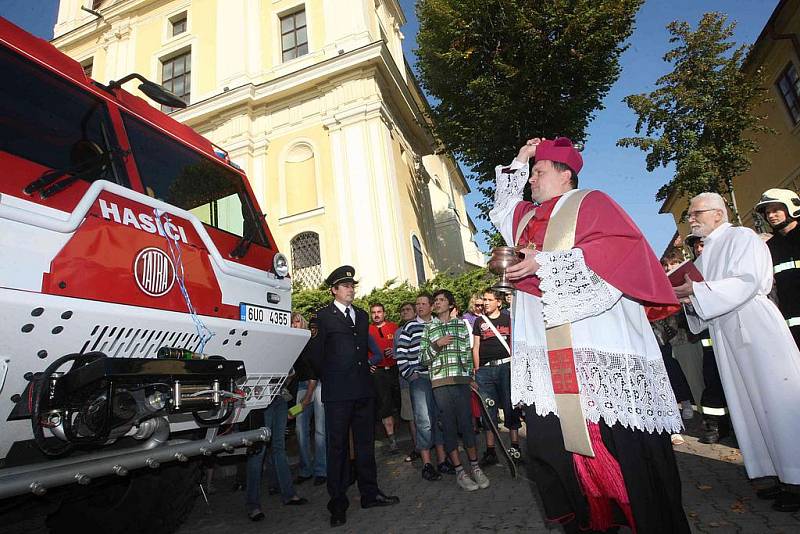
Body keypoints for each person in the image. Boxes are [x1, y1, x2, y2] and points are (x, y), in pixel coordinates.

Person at [490, 137, 689, 533]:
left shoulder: (591, 203)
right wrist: (522, 157)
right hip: (546, 354)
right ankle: (585, 521)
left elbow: (616, 255)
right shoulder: (527, 217)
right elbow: (502, 206)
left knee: (623, 446)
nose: (531, 179)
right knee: (551, 445)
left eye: (539, 172)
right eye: (530, 174)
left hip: (594, 341)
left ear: (566, 175)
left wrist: (541, 263)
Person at [675, 192, 800, 513]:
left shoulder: (741, 237)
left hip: (755, 325)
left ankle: (796, 477)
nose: (691, 218)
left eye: (695, 213)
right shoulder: (701, 257)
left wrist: (698, 291)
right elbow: (699, 296)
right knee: (746, 404)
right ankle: (769, 472)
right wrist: (687, 298)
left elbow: (747, 281)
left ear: (718, 214)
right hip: (725, 332)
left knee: (776, 399)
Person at [306, 266, 399, 527]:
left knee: (366, 445)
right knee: (337, 448)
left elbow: (362, 349)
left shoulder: (360, 315)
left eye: (352, 285)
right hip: (337, 393)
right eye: (345, 285)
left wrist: (365, 366)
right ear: (334, 290)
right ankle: (337, 503)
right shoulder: (322, 317)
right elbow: (314, 354)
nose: (351, 289)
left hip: (362, 390)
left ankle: (370, 493)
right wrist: (333, 375)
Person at [420, 289, 490, 492]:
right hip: (440, 384)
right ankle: (460, 471)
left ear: (450, 305)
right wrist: (437, 345)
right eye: (436, 300)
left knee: (467, 425)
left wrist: (471, 377)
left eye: (442, 300)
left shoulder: (461, 324)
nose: (437, 303)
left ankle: (475, 467)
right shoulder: (429, 328)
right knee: (448, 427)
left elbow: (467, 354)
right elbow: (423, 359)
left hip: (461, 383)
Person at [396, 293, 450, 480]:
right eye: (417, 304)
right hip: (419, 380)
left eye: (423, 303)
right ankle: (427, 464)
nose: (419, 307)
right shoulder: (409, 326)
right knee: (424, 420)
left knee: (439, 418)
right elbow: (400, 353)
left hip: (438, 378)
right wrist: (411, 374)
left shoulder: (437, 324)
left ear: (431, 306)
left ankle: (443, 461)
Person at [683, 234, 730, 444]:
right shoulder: (692, 274)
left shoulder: (724, 267)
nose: (699, 250)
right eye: (696, 247)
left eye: (702, 244)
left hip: (731, 341)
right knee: (713, 386)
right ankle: (716, 425)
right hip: (709, 346)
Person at [472, 288, 521, 465]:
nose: (485, 302)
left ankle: (515, 448)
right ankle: (491, 451)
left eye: (489, 299)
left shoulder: (508, 318)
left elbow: (515, 341)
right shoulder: (479, 321)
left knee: (510, 406)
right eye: (484, 299)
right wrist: (477, 371)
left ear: (498, 302)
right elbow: (476, 347)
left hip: (506, 367)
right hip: (485, 371)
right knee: (487, 410)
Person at [244, 394, 309, 521]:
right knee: (258, 452)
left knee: (278, 448)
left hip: (279, 399)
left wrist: (302, 404)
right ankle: (253, 505)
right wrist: (304, 403)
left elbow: (291, 414)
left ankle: (289, 495)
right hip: (259, 400)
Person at [754, 188, 800, 349]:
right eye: (767, 213)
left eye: (775, 210)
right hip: (791, 330)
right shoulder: (769, 248)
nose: (771, 216)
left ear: (791, 208)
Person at [290, 312, 327, 486]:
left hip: (317, 386)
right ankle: (306, 469)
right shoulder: (293, 344)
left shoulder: (311, 342)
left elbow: (313, 371)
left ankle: (322, 469)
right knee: (300, 429)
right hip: (303, 386)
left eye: (297, 321)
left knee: (320, 429)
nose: (294, 324)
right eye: (291, 322)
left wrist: (306, 399)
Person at [368, 303, 401, 453]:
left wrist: (395, 351)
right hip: (378, 373)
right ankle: (392, 440)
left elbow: (404, 347)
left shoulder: (394, 328)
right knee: (384, 405)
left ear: (384, 313)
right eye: (373, 312)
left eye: (379, 312)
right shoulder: (367, 330)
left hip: (396, 370)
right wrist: (368, 364)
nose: (376, 315)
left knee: (401, 403)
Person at [394, 302, 419, 462]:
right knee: (411, 416)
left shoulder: (423, 326)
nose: (405, 312)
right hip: (405, 380)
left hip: (423, 378)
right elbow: (398, 356)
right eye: (402, 310)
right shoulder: (398, 333)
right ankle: (417, 446)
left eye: (408, 309)